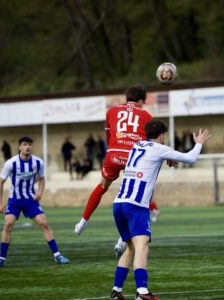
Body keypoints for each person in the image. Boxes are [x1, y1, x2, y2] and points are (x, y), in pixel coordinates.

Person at [109, 120, 211, 300]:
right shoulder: (159, 148)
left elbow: (148, 160)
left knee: (131, 248)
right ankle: (142, 292)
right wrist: (199, 143)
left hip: (118, 203)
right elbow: (190, 158)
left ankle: (117, 290)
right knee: (142, 246)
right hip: (136, 205)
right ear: (161, 135)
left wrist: (167, 158)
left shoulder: (137, 145)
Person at [74, 84, 154, 236]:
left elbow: (108, 137)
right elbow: (151, 144)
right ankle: (125, 238)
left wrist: (111, 153)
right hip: (134, 158)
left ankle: (83, 221)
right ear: (141, 100)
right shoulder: (147, 116)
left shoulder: (111, 112)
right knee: (142, 192)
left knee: (103, 185)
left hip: (113, 155)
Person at [0, 136, 69, 268]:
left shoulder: (38, 163)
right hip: (15, 199)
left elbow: (42, 179)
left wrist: (40, 192)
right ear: (20, 147)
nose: (28, 147)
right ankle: (1, 259)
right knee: (8, 224)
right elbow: (0, 183)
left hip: (30, 199)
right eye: (25, 144)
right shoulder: (11, 163)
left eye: (30, 145)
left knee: (43, 223)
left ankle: (57, 255)